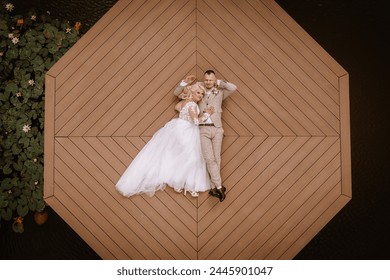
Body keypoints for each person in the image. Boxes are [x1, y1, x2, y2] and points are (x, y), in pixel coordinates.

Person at [116, 83, 214, 198]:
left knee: (184, 156)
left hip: (179, 127)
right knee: (192, 157)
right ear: (192, 92)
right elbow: (196, 122)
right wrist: (207, 113)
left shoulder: (185, 103)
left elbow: (177, 107)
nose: (201, 96)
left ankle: (182, 183)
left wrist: (186, 100)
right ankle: (184, 183)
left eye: (202, 94)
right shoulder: (192, 104)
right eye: (198, 93)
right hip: (186, 130)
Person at [174, 70, 237, 202]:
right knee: (209, 159)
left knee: (216, 159)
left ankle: (214, 188)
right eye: (206, 80)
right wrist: (185, 82)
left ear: (214, 80)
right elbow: (177, 93)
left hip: (217, 128)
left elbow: (233, 88)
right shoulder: (199, 91)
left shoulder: (220, 92)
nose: (208, 82)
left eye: (210, 80)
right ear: (203, 80)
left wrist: (218, 82)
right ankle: (219, 187)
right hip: (203, 129)